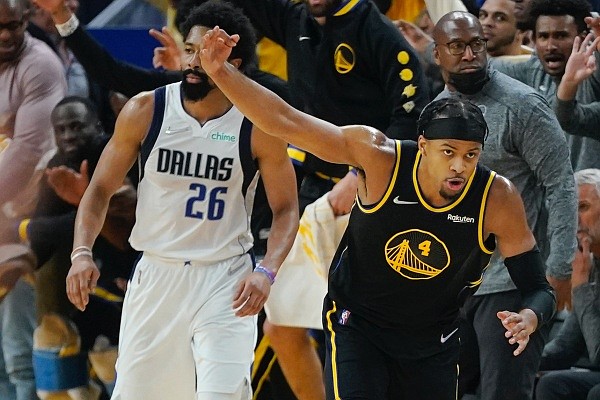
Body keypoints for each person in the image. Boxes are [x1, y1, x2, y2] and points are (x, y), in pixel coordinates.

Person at [199, 27, 557, 399]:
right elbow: (285, 120)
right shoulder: (380, 159)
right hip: (359, 327)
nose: (459, 167)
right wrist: (222, 72)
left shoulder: (496, 197)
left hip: (432, 341)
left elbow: (537, 288)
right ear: (422, 146)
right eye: (447, 152)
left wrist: (531, 316)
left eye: (470, 155)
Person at [65, 2, 299, 399]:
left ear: (233, 63)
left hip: (226, 279)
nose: (193, 62)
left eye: (206, 53)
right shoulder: (145, 110)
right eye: (189, 49)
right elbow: (100, 189)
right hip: (157, 275)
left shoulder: (258, 126)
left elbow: (286, 208)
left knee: (220, 394)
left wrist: (268, 270)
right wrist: (81, 252)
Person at [431, 11, 577, 400]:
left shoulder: (523, 104)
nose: (469, 54)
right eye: (457, 46)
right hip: (455, 284)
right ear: (437, 54)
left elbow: (561, 185)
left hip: (514, 284)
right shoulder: (437, 110)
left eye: (476, 44)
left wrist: (560, 267)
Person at [0, 0, 66, 398]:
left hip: (29, 221)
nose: (7, 35)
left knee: (23, 352)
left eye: (15, 25)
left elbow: (26, 150)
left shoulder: (39, 65)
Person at [492, 0, 600, 172]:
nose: (551, 46)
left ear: (583, 37)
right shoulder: (533, 69)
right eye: (544, 36)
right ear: (533, 39)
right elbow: (481, 66)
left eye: (561, 35)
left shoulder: (593, 68)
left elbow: (567, 118)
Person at [535, 168, 600, 400]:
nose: (575, 219)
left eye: (582, 207)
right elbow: (567, 346)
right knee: (550, 385)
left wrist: (580, 286)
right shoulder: (590, 263)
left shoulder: (584, 271)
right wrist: (516, 359)